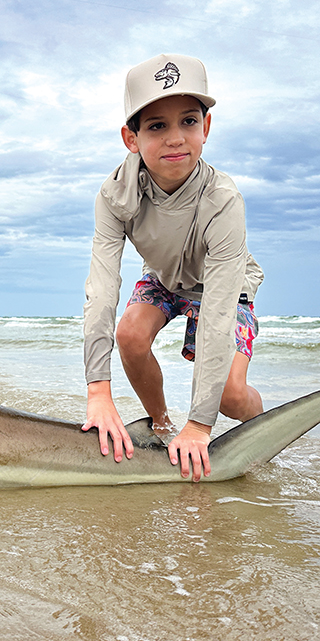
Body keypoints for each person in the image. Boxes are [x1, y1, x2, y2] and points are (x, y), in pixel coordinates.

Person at [81, 53, 264, 482]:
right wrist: (98, 391)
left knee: (231, 397)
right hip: (164, 278)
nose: (176, 138)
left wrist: (200, 425)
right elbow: (103, 286)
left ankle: (263, 431)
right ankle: (161, 428)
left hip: (223, 284)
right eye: (157, 126)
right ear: (131, 138)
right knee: (129, 333)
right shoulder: (114, 197)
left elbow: (218, 314)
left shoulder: (223, 200)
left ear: (207, 127)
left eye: (188, 121)